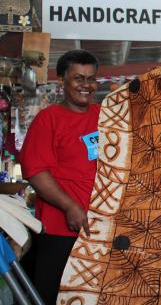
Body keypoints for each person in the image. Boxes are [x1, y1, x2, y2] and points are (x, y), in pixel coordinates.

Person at [20, 49, 101, 304]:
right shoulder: (48, 120)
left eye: (90, 78)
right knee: (58, 296)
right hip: (61, 230)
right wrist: (70, 206)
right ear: (62, 81)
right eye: (78, 78)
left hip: (100, 231)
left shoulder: (105, 115)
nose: (86, 85)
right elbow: (36, 171)